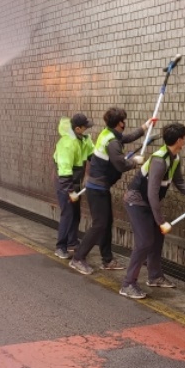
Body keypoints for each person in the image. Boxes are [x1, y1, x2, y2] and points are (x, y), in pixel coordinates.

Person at [119, 123, 185, 299]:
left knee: (157, 238)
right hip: (136, 201)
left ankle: (154, 277)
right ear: (179, 140)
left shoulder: (174, 158)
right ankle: (128, 284)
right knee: (145, 242)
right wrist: (161, 221)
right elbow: (152, 193)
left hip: (148, 202)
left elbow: (180, 183)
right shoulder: (159, 160)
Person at [68, 107, 154, 275]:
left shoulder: (108, 133)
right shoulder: (112, 143)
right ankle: (78, 258)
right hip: (97, 188)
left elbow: (126, 138)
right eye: (123, 120)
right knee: (99, 224)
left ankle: (107, 260)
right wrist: (134, 161)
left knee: (106, 223)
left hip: (101, 187)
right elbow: (120, 165)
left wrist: (144, 128)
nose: (125, 123)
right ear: (120, 123)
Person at [52, 113, 94, 259]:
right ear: (77, 128)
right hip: (65, 182)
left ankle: (72, 243)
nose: (87, 130)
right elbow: (64, 170)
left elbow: (92, 156)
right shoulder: (67, 143)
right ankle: (60, 247)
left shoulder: (83, 140)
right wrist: (70, 191)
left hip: (75, 182)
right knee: (67, 214)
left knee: (75, 214)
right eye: (85, 127)